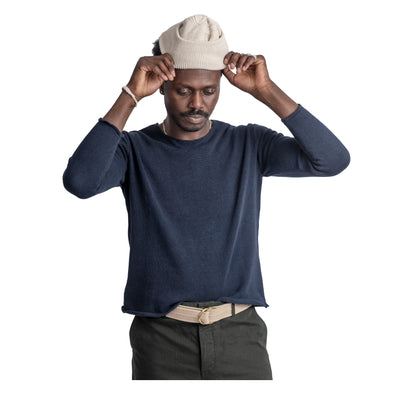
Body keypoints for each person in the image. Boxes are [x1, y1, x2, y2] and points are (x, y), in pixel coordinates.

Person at [62, 14, 350, 380]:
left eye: (209, 91)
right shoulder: (133, 149)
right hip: (161, 338)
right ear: (162, 85)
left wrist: (266, 90)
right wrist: (130, 95)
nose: (197, 103)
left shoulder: (249, 143)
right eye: (184, 91)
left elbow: (332, 160)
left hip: (240, 335)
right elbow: (80, 181)